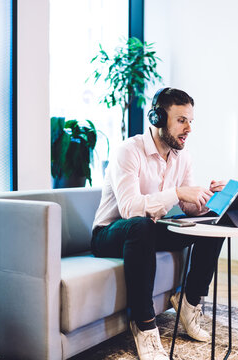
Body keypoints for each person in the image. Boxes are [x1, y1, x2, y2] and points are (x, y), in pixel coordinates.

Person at [91, 87, 225, 360]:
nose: (188, 128)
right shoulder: (128, 152)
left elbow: (189, 206)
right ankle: (143, 326)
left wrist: (210, 199)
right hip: (110, 233)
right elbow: (130, 209)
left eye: (190, 121)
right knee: (141, 226)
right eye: (181, 120)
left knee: (212, 224)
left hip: (149, 230)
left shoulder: (182, 157)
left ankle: (189, 303)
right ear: (158, 118)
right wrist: (176, 193)